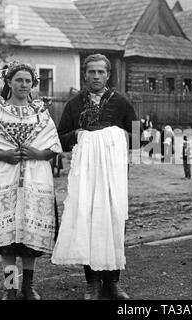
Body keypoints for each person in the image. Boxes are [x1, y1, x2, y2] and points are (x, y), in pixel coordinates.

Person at [0, 61, 62, 300]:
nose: (24, 85)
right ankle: (10, 287)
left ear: (33, 84)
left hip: (34, 177)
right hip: (2, 176)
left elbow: (53, 146)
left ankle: (28, 286)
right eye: (19, 80)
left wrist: (38, 154)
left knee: (31, 240)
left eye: (28, 81)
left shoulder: (40, 113)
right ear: (8, 82)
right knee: (6, 241)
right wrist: (4, 155)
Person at [51, 54, 137, 300]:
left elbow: (139, 135)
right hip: (85, 175)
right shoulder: (74, 104)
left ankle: (112, 283)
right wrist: (79, 135)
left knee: (112, 221)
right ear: (85, 75)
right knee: (88, 223)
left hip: (113, 174)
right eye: (91, 72)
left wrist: (116, 135)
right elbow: (60, 138)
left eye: (101, 72)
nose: (96, 76)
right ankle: (92, 283)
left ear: (108, 75)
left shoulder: (120, 102)